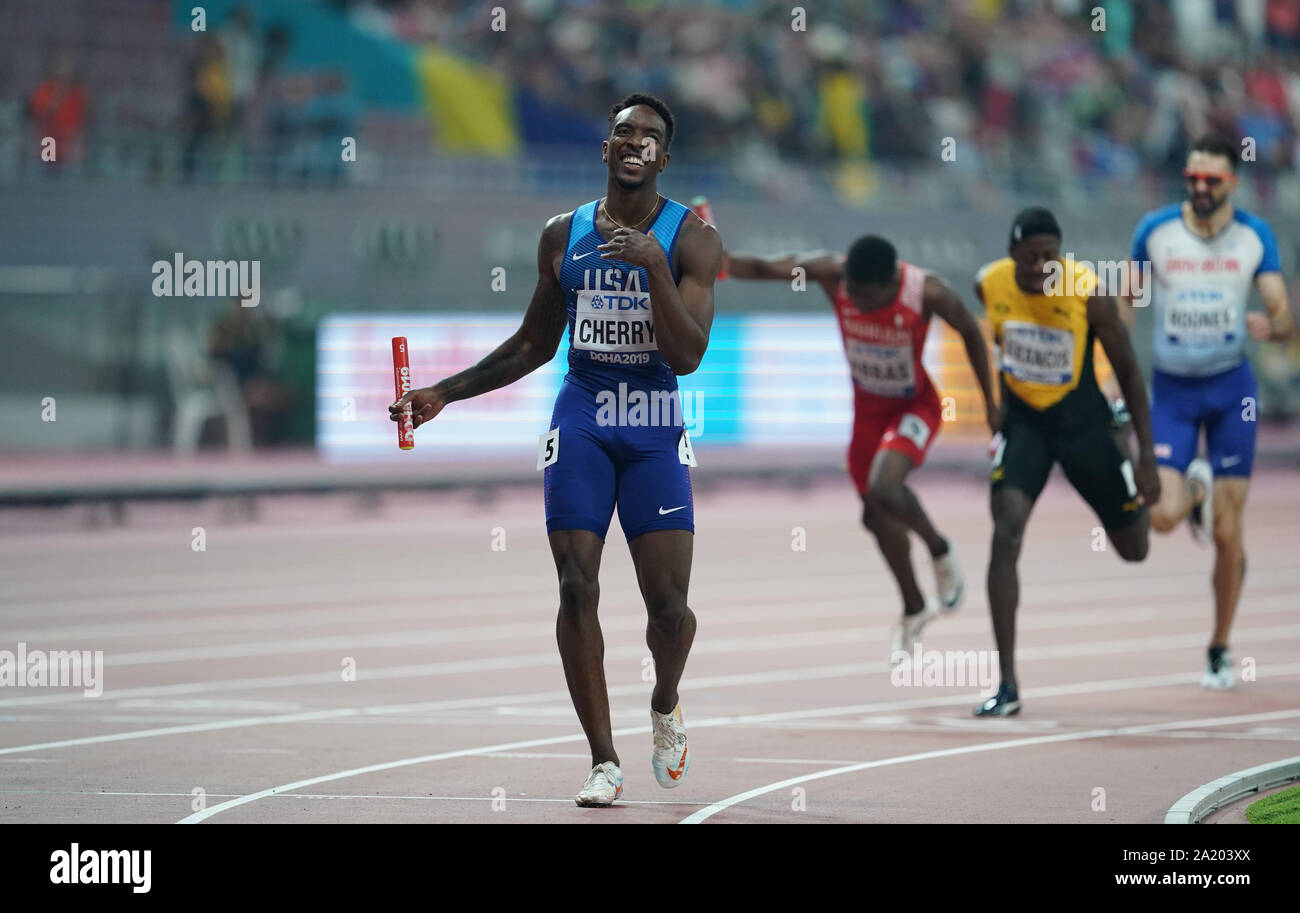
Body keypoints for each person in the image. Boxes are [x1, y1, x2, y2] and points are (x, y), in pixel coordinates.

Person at [391, 94, 721, 807]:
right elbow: (535, 343)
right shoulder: (559, 235)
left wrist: (653, 268)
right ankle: (603, 759)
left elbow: (690, 355)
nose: (635, 142)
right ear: (605, 149)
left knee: (670, 608)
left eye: (650, 136)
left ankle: (665, 700)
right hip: (582, 418)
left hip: (655, 419)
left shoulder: (690, 238)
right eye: (623, 132)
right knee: (577, 584)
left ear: (665, 157)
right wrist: (444, 392)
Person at [723, 236, 998, 657]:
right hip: (868, 415)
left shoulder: (929, 291)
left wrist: (992, 408)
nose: (856, 302)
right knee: (874, 517)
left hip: (915, 407)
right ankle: (913, 606)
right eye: (851, 292)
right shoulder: (833, 273)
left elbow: (972, 335)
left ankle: (940, 550)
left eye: (867, 298)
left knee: (886, 488)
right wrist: (717, 258)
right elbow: (766, 267)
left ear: (892, 285)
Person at [1117, 134, 1294, 689]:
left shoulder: (1253, 236)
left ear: (1231, 184)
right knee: (1163, 517)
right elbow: (1127, 299)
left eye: (1210, 180)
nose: (1198, 187)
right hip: (1172, 390)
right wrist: (1120, 374)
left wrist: (1276, 325)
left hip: (1231, 391)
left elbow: (1282, 311)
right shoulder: (1156, 231)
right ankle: (1194, 487)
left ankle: (1219, 646)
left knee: (1227, 531)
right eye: (1192, 178)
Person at [974, 207, 1160, 716]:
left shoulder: (1086, 292)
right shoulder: (988, 285)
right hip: (1026, 426)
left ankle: (1122, 455)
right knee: (1006, 527)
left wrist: (1144, 457)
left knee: (1135, 549)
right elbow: (981, 340)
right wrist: (993, 403)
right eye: (1029, 257)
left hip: (1085, 425)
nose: (1039, 267)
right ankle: (1007, 684)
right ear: (1011, 253)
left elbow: (1129, 369)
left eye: (1049, 257)